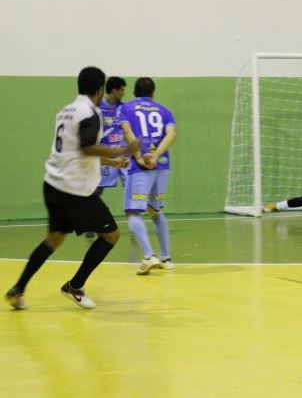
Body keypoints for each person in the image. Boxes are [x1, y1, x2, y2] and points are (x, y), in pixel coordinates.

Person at [5, 67, 140, 310]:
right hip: (75, 190)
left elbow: (74, 151)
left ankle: (18, 289)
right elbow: (87, 148)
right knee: (110, 236)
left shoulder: (65, 111)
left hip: (53, 185)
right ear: (100, 89)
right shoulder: (91, 112)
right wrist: (121, 151)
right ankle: (74, 286)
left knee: (53, 240)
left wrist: (111, 161)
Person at [118, 77, 177, 274]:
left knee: (133, 211)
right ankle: (166, 258)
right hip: (161, 166)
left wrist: (139, 156)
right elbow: (171, 134)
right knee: (155, 210)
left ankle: (149, 256)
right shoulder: (164, 110)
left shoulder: (126, 108)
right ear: (153, 93)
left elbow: (128, 133)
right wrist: (156, 155)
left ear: (134, 92)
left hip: (140, 167)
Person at [84, 76, 127, 240]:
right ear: (114, 90)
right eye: (122, 89)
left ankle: (134, 220)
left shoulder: (124, 108)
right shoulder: (97, 107)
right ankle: (90, 224)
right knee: (96, 189)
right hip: (104, 154)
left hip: (121, 154)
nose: (123, 93)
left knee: (130, 186)